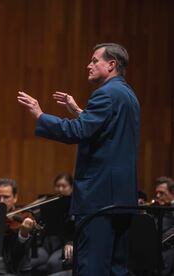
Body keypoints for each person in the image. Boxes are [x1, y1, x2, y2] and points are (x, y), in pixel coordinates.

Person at [18, 43, 140, 275]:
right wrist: (78, 110)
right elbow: (106, 130)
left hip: (99, 201)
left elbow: (77, 132)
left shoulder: (105, 93)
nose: (89, 65)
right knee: (115, 269)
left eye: (95, 60)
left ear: (111, 64)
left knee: (91, 267)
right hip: (122, 200)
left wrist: (40, 115)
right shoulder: (128, 94)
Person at [0, 178, 35, 275]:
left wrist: (23, 233)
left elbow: (18, 253)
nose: (1, 201)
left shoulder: (23, 217)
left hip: (8, 271)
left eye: (6, 197)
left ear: (15, 197)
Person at [153, 176, 174, 275]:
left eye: (162, 193)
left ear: (172, 193)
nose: (157, 196)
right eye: (156, 193)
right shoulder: (156, 207)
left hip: (167, 247)